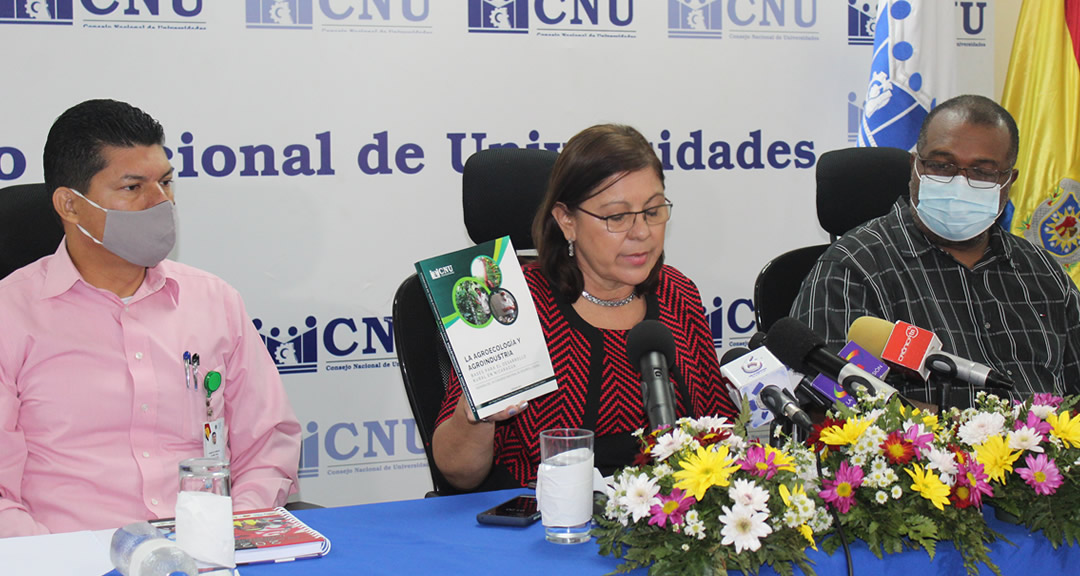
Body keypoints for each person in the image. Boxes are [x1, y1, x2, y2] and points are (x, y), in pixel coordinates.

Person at [0, 99, 302, 537]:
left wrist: (233, 533)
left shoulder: (214, 301)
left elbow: (268, 446)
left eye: (166, 182)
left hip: (208, 551)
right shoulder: (11, 315)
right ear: (69, 205)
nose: (160, 203)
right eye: (132, 187)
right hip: (72, 557)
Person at [431, 124, 739, 491]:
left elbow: (721, 433)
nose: (642, 231)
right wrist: (477, 417)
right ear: (567, 221)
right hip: (546, 527)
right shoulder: (512, 305)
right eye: (617, 217)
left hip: (670, 523)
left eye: (653, 211)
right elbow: (459, 473)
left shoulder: (678, 293)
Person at [792, 94, 1080, 408]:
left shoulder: (1042, 270)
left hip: (1050, 451)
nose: (960, 183)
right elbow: (834, 402)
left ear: (1008, 181)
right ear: (916, 166)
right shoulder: (852, 269)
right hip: (927, 452)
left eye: (983, 172)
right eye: (942, 166)